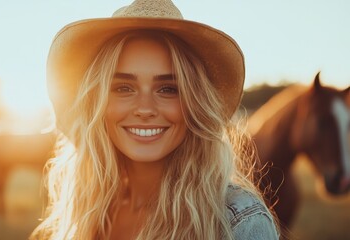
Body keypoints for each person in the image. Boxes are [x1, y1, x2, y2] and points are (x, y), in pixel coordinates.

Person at [32, 0, 280, 239]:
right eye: (124, 88)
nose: (145, 109)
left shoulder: (239, 223)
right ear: (96, 103)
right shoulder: (84, 205)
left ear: (195, 104)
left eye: (168, 89)